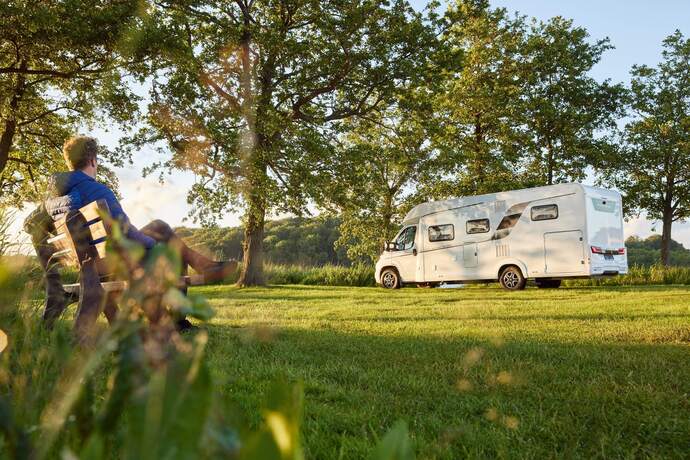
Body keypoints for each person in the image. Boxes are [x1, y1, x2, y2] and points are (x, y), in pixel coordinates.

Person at [25, 135, 236, 331]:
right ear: (92, 160)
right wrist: (153, 244)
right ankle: (180, 315)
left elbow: (29, 225)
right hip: (116, 263)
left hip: (90, 264)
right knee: (168, 240)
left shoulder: (53, 200)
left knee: (159, 227)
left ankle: (202, 267)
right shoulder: (96, 191)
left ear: (70, 162)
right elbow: (126, 234)